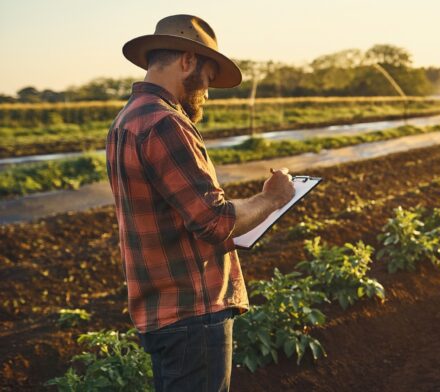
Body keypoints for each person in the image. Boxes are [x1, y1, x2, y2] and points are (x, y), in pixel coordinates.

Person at [107, 15, 295, 391]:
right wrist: (271, 198)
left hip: (164, 311)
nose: (206, 93)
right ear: (188, 62)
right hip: (192, 313)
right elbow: (216, 221)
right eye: (207, 80)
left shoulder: (127, 121)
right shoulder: (165, 123)